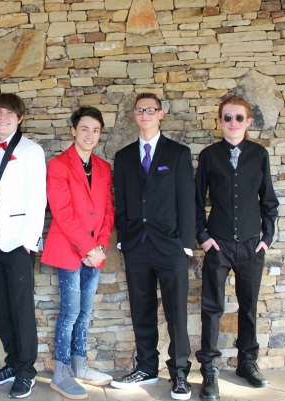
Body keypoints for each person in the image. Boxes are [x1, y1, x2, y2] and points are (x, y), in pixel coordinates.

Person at [112, 93, 195, 400]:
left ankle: (180, 373)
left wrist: (186, 245)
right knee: (141, 310)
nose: (145, 114)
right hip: (137, 245)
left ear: (161, 114)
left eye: (151, 109)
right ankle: (146, 367)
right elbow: (121, 201)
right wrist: (123, 239)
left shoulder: (178, 153)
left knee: (176, 313)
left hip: (170, 246)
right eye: (140, 110)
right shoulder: (123, 157)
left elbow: (187, 200)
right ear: (134, 115)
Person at [195, 95, 279, 401]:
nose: (233, 123)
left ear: (248, 121)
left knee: (249, 306)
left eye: (239, 117)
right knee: (212, 309)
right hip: (218, 245)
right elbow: (196, 201)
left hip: (251, 246)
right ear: (219, 121)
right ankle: (209, 370)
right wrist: (203, 237)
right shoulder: (209, 156)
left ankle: (247, 362)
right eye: (227, 117)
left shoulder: (259, 155)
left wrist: (266, 238)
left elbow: (268, 200)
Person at [41, 107, 115, 400]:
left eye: (95, 130)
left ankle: (80, 365)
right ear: (73, 130)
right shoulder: (59, 165)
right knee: (70, 312)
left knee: (85, 312)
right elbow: (62, 212)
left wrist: (100, 247)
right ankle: (61, 373)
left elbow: (108, 211)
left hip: (95, 253)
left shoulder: (104, 168)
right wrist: (88, 249)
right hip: (69, 251)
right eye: (84, 129)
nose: (90, 135)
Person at [0, 93, 46, 399]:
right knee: (2, 307)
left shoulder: (31, 150)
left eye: (8, 113)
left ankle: (26, 371)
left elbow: (38, 198)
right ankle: (13, 363)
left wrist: (30, 241)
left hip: (19, 240)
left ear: (20, 118)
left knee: (21, 308)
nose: (2, 117)